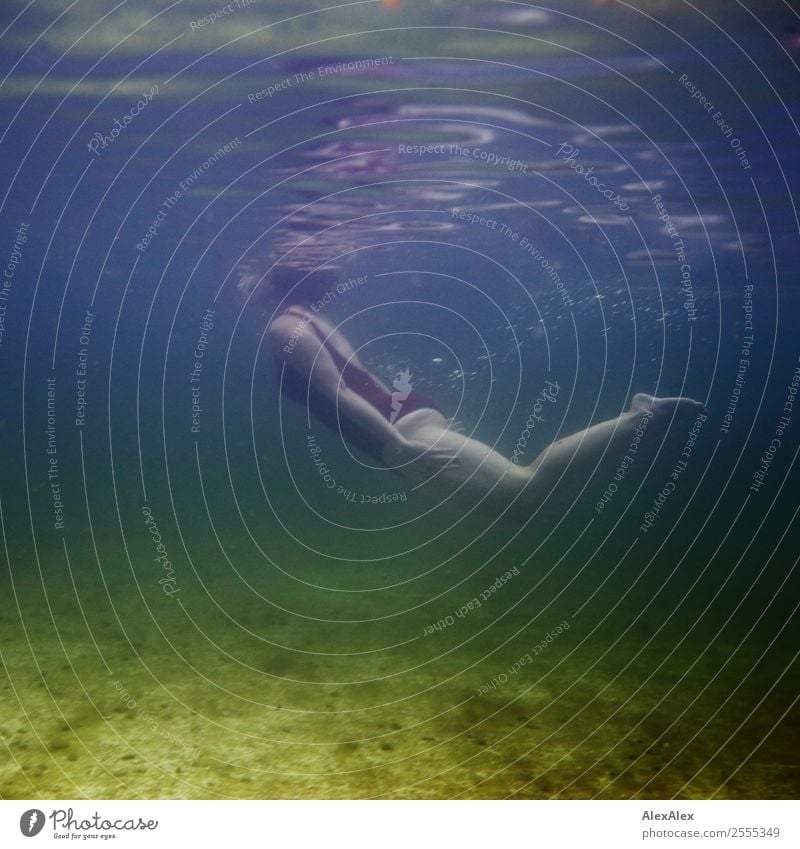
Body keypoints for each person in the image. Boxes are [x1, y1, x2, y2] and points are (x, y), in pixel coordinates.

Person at [261, 269, 708, 517]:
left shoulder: (285, 325)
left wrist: (399, 442)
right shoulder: (305, 316)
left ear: (272, 281)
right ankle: (641, 419)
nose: (247, 285)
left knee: (523, 491)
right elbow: (361, 381)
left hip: (399, 433)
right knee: (514, 505)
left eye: (253, 276)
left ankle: (642, 417)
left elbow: (338, 389)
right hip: (400, 426)